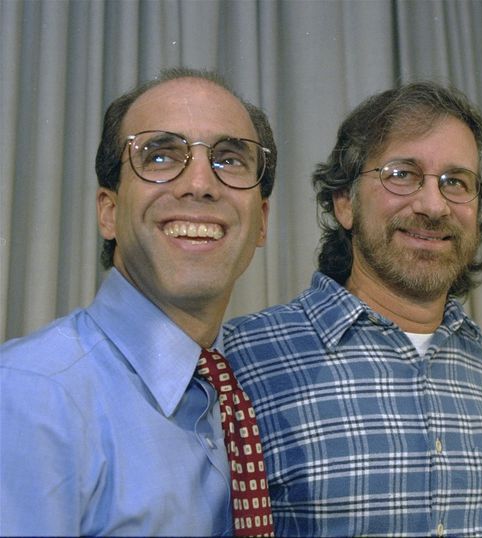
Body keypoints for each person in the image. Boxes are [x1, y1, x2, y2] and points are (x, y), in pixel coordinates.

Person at [224, 81, 482, 536]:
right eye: (402, 174)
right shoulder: (240, 359)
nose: (434, 205)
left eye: (456, 182)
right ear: (345, 203)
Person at [0, 67, 277, 536]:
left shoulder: (242, 391)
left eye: (229, 159)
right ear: (108, 212)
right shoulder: (32, 396)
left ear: (262, 222)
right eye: (161, 156)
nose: (201, 184)